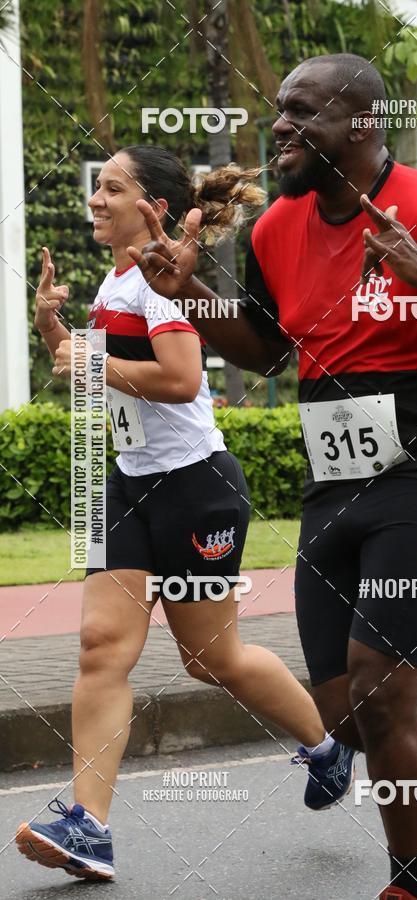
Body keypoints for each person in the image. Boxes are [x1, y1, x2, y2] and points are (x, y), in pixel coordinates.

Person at [131, 55, 417, 900]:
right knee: (347, 714)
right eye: (278, 112)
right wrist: (195, 303)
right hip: (336, 479)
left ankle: (411, 886)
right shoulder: (274, 228)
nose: (280, 127)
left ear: (360, 124)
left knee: (382, 689)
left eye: (301, 113)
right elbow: (269, 345)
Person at [15, 145, 355, 882]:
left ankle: (327, 748)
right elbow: (102, 377)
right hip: (133, 486)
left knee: (211, 660)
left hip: (198, 489)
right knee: (101, 646)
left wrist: (90, 360)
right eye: (95, 188)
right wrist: (53, 329)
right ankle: (90, 828)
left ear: (155, 209)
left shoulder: (160, 284)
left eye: (112, 188)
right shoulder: (118, 278)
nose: (95, 199)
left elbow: (178, 378)